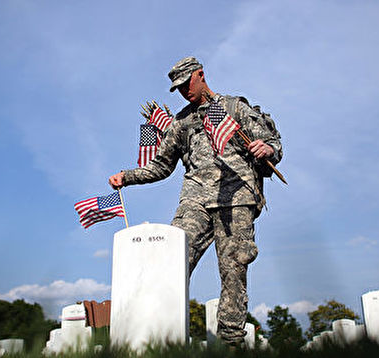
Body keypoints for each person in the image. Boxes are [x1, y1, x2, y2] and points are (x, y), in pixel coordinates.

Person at [108, 56, 282, 345]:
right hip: (196, 199)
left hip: (235, 198)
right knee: (171, 261)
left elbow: (271, 143)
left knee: (233, 271)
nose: (184, 91)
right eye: (177, 88)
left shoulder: (232, 108)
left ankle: (231, 343)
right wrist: (128, 176)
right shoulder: (181, 122)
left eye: (187, 83)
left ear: (201, 75)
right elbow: (162, 166)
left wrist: (268, 149)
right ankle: (161, 338)